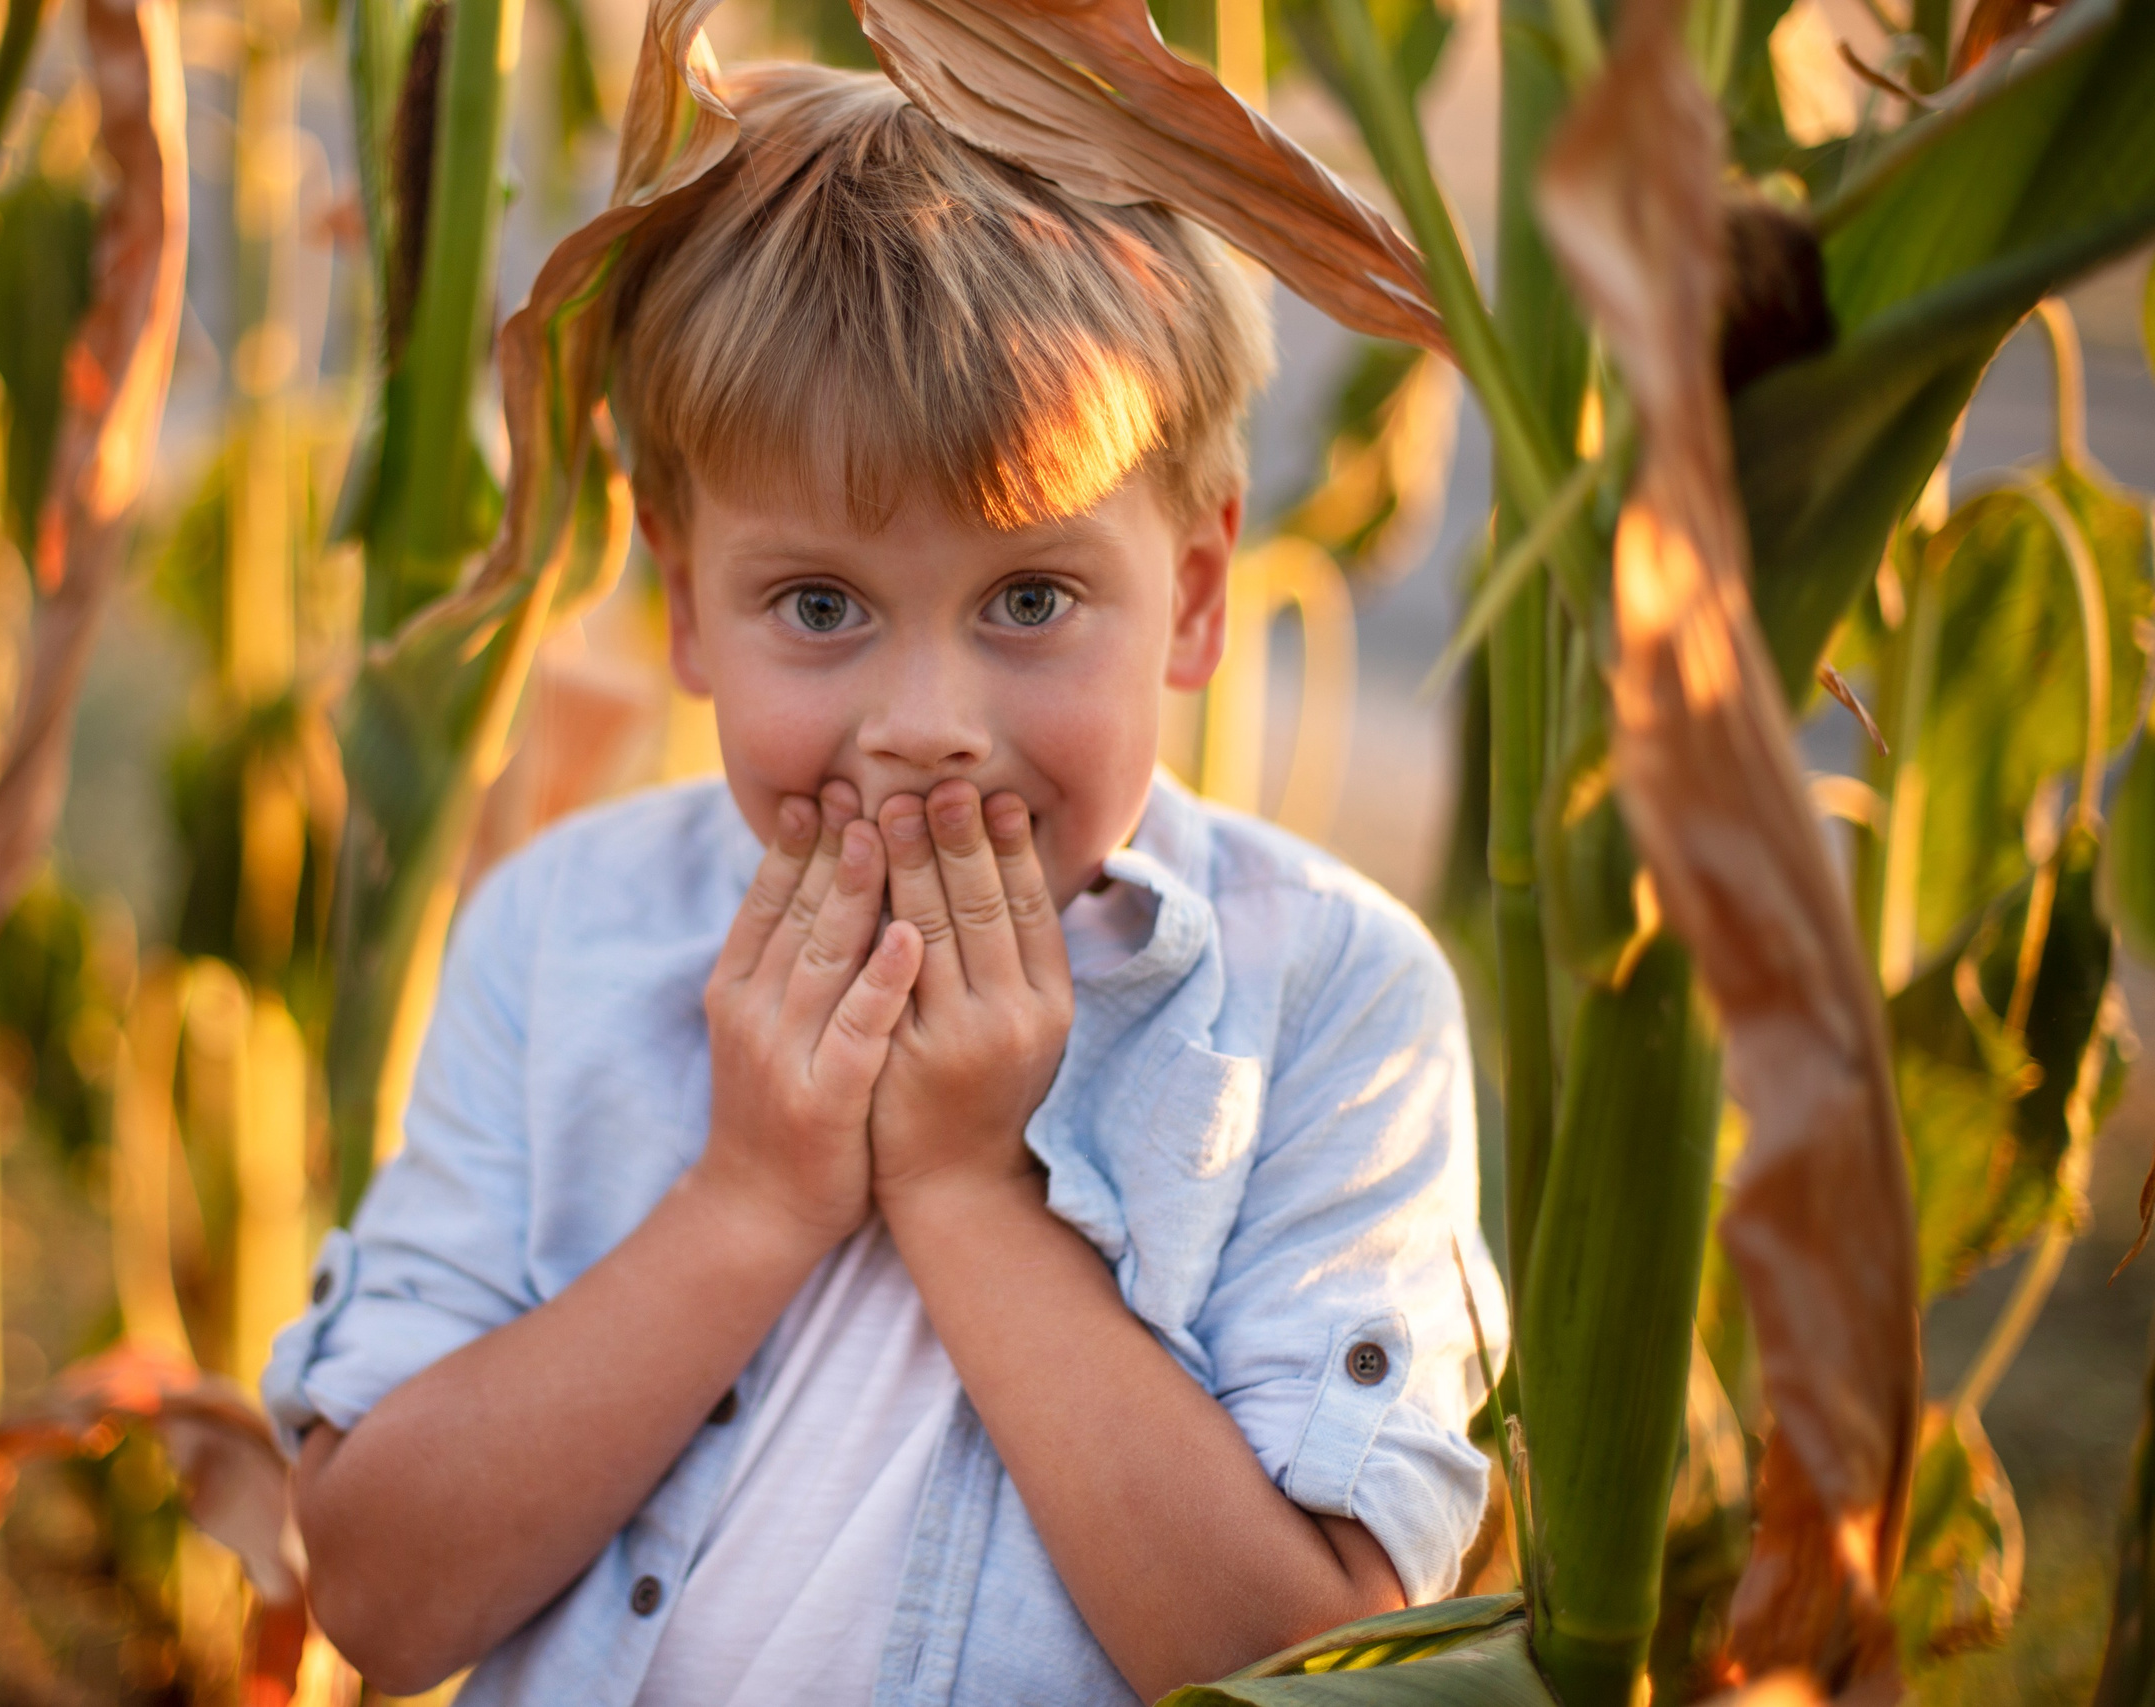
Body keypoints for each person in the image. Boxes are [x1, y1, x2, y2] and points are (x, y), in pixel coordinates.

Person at [264, 61, 1505, 1707]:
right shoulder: (558, 937)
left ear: (1196, 593)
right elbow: (377, 1596)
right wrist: (750, 1200)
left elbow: (1305, 1671)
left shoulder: (1334, 1003)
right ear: (685, 604)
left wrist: (969, 1193)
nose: (926, 728)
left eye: (1032, 599)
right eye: (821, 607)